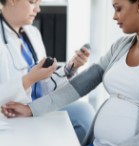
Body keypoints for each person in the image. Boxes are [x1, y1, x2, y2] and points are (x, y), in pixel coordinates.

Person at [0, 0, 96, 143]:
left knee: (86, 113)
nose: (37, 9)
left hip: (39, 107)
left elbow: (45, 87)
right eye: (32, 2)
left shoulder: (32, 34)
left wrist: (70, 68)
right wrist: (29, 79)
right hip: (12, 117)